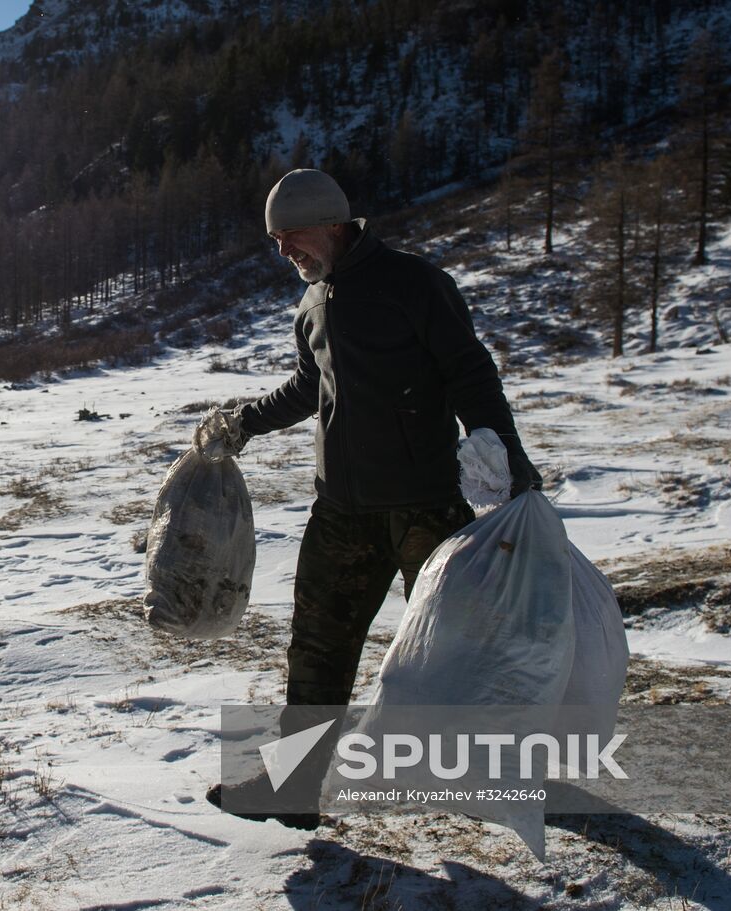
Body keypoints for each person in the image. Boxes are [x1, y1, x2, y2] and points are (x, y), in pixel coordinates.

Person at [204, 169, 541, 829]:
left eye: (292, 235)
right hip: (341, 511)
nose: (284, 251)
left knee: (455, 647)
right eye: (275, 240)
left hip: (426, 508)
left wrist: (508, 456)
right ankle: (294, 788)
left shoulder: (416, 284)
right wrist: (243, 423)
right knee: (317, 650)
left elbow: (470, 372)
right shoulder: (313, 302)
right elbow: (310, 386)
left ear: (334, 222)